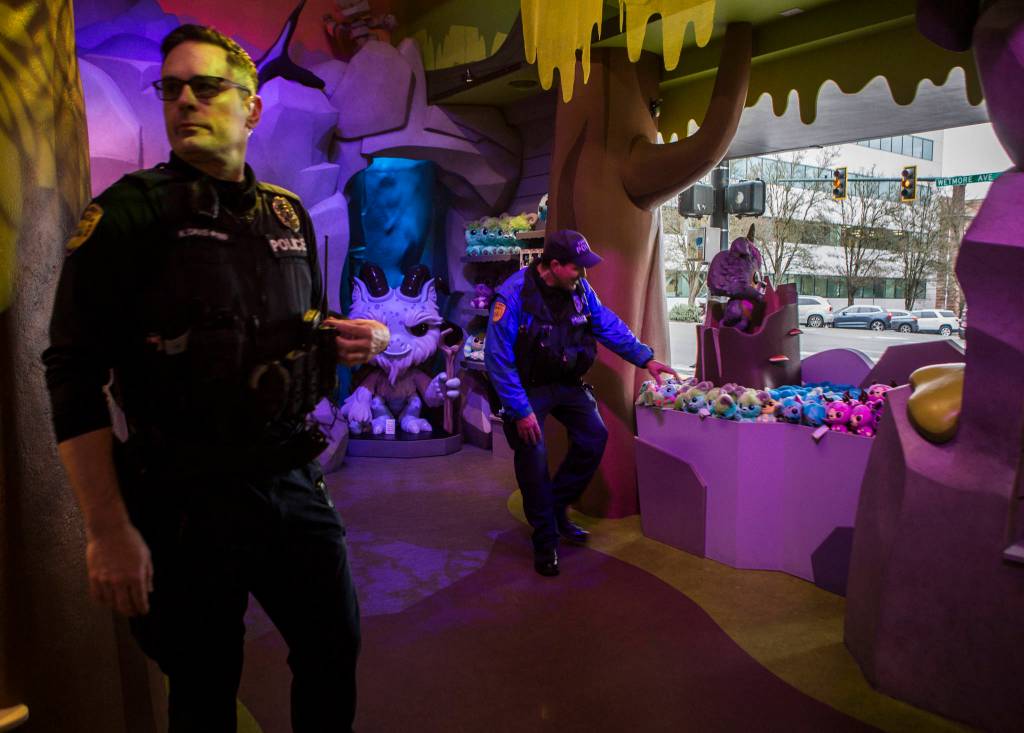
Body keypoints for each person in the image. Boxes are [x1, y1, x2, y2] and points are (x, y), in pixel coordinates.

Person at [42, 24, 373, 732]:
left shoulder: (285, 213)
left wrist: (348, 335)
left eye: (206, 86)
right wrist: (108, 529)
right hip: (185, 499)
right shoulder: (128, 215)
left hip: (290, 479)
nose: (184, 100)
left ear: (251, 108)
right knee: (202, 684)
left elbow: (300, 320)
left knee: (333, 643)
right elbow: (71, 372)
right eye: (171, 88)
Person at [484, 229, 676, 577]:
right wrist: (521, 410)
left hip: (566, 382)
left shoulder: (581, 291)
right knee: (534, 455)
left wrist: (645, 357)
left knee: (594, 436)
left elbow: (607, 324)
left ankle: (556, 507)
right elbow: (497, 358)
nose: (583, 273)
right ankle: (545, 540)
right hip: (527, 390)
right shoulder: (512, 295)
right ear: (554, 265)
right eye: (576, 267)